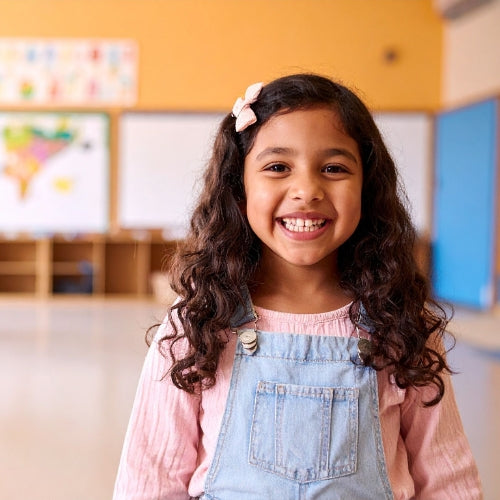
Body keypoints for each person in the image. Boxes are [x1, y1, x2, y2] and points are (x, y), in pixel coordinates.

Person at [113, 74, 482, 499]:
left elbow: (447, 479)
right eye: (277, 167)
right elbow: (150, 478)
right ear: (239, 188)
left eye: (333, 168)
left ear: (368, 186)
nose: (307, 190)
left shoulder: (401, 322)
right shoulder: (199, 319)